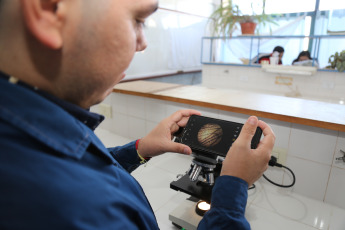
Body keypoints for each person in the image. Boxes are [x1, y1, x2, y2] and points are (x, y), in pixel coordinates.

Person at [0, 0, 275, 229]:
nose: (142, 43)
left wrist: (139, 149)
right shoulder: (76, 208)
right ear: (50, 11)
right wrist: (234, 186)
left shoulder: (32, 128)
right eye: (138, 20)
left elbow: (85, 166)